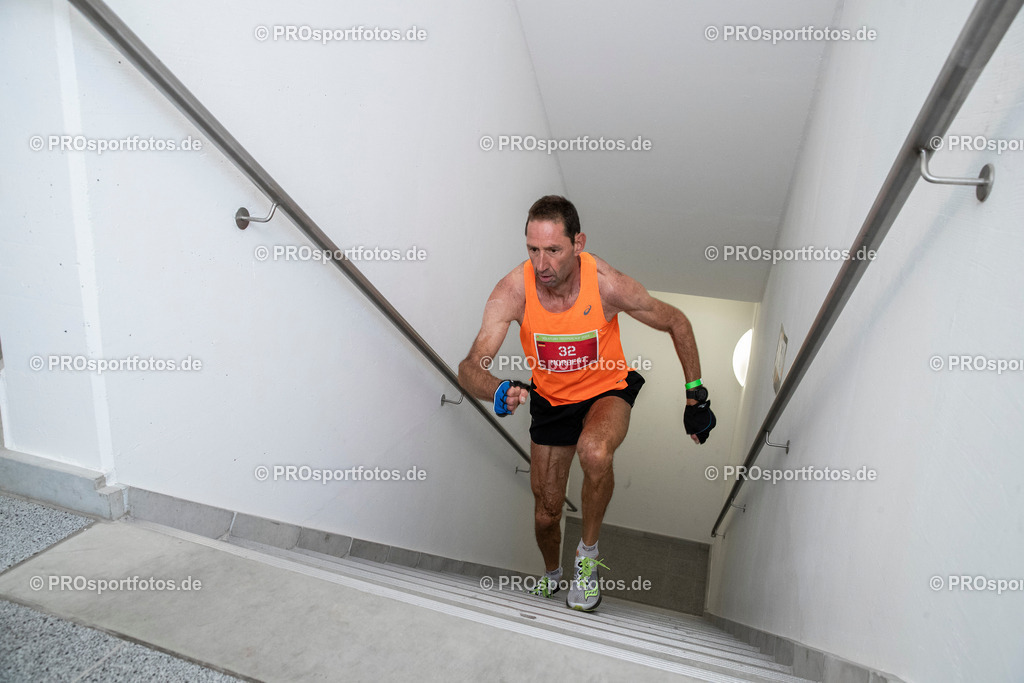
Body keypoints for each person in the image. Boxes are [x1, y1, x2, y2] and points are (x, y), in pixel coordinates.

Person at [457, 195, 716, 612]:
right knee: (546, 513)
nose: (542, 265)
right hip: (551, 401)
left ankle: (587, 559)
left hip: (605, 391)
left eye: (553, 251)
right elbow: (469, 367)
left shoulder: (607, 284)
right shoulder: (513, 291)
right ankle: (552, 575)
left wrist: (696, 394)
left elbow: (675, 321)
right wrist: (497, 389)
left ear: (578, 243)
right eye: (533, 250)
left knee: (594, 450)